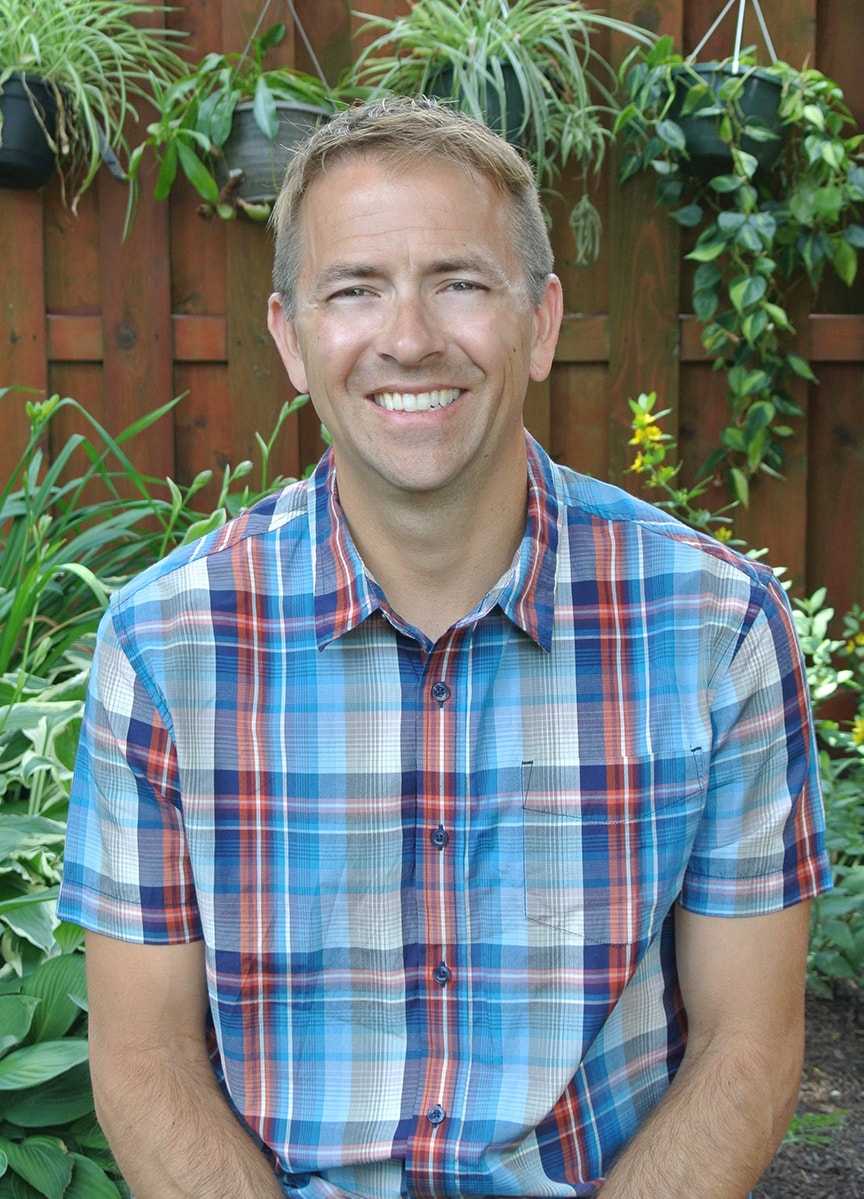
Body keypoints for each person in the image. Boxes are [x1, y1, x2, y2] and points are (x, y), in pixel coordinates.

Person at [58, 97, 832, 1199]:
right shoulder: (166, 646)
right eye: (355, 288)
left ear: (541, 319)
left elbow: (745, 1048)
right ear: (289, 336)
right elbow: (147, 1059)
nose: (409, 336)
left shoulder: (716, 631)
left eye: (460, 282)